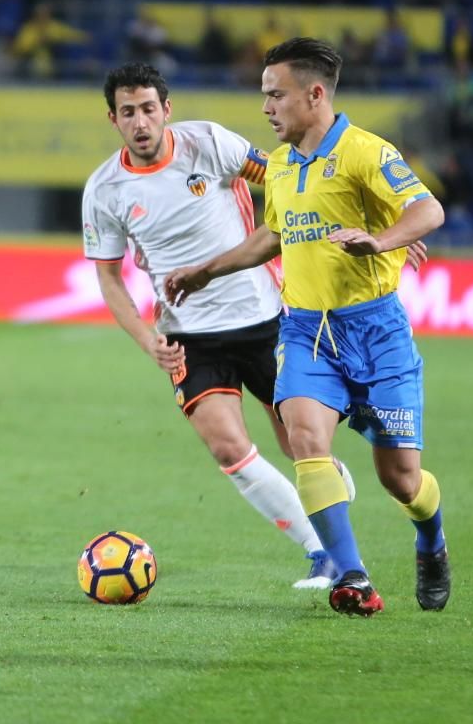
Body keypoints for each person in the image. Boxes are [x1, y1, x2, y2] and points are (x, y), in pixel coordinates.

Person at [166, 38, 450, 616]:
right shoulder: (280, 165)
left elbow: (428, 210)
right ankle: (352, 576)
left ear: (315, 94)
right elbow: (273, 235)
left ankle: (431, 541)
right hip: (305, 331)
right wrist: (204, 273)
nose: (266, 108)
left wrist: (385, 239)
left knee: (402, 481)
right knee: (302, 435)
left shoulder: (366, 153)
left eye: (276, 95)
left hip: (376, 333)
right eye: (264, 96)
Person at [84, 62, 385, 590]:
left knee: (300, 447)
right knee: (227, 447)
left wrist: (371, 222)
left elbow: (291, 179)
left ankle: (325, 477)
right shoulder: (104, 189)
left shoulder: (210, 144)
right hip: (187, 334)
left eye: (149, 109)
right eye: (128, 112)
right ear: (113, 119)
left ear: (166, 110)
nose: (141, 122)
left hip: (263, 318)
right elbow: (109, 278)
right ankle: (323, 555)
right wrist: (147, 340)